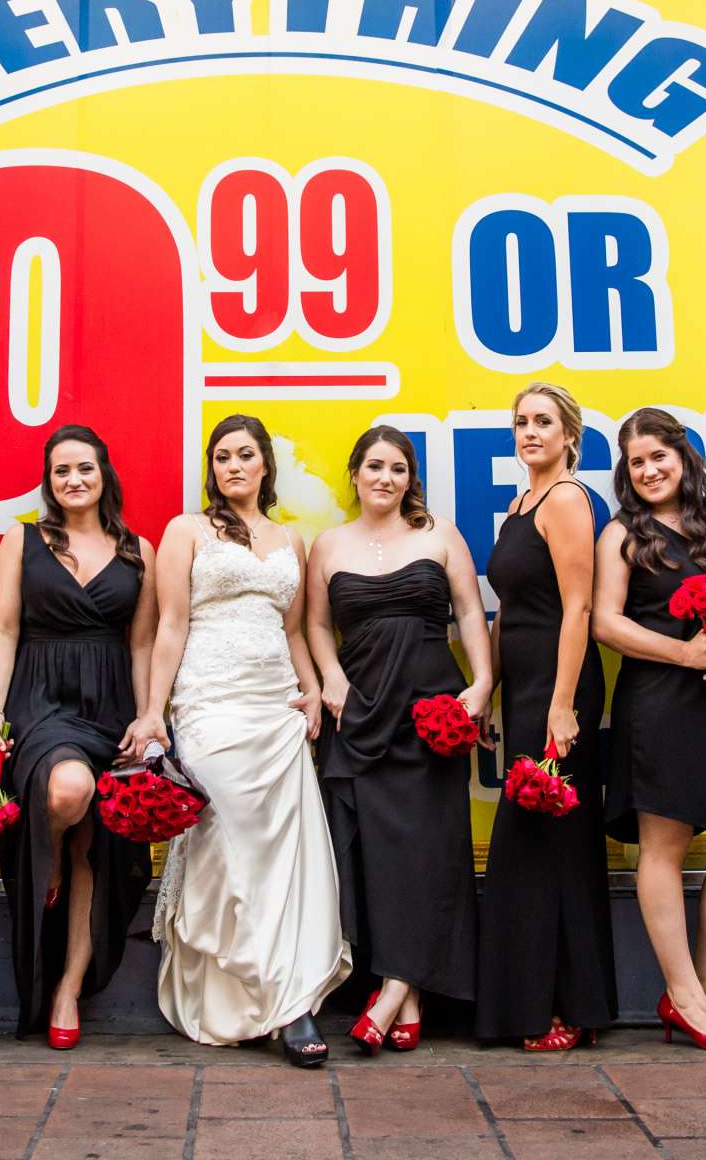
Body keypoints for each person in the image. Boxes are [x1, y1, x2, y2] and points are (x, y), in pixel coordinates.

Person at [124, 414, 350, 1068]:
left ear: (264, 465)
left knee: (286, 858)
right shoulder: (185, 531)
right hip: (210, 703)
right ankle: (246, 987)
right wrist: (153, 713)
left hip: (277, 709)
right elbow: (171, 624)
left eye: (245, 454)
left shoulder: (290, 541)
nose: (233, 465)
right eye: (222, 456)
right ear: (212, 468)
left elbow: (295, 630)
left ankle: (290, 1004)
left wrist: (310, 690)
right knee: (227, 845)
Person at [595, 407, 706, 1050]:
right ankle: (683, 996)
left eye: (658, 456)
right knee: (665, 848)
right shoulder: (621, 533)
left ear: (684, 456)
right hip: (660, 701)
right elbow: (606, 623)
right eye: (635, 461)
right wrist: (682, 653)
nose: (648, 470)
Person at [305, 424, 494, 1052]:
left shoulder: (439, 535)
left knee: (430, 856)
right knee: (375, 861)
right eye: (375, 466)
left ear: (410, 478)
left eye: (398, 468)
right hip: (358, 714)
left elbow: (470, 611)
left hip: (429, 711)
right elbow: (314, 625)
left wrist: (483, 683)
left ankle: (390, 995)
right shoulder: (328, 545)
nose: (385, 478)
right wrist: (330, 678)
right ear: (355, 474)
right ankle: (404, 993)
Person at [0, 425, 157, 1050]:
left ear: (103, 473)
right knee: (67, 793)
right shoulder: (22, 542)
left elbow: (141, 643)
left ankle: (68, 989)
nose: (73, 480)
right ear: (48, 481)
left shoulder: (139, 549)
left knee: (98, 855)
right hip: (42, 700)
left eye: (84, 468)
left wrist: (148, 714)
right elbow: (2, 629)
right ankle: (44, 850)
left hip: (112, 705)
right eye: (60, 471)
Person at [474, 382, 618, 1051]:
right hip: (526, 686)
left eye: (543, 422)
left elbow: (579, 609)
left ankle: (565, 1006)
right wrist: (487, 690)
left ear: (569, 435)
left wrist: (562, 704)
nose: (529, 431)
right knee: (533, 848)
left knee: (550, 847)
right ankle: (547, 1004)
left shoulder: (565, 499)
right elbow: (510, 613)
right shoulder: (520, 503)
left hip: (560, 688)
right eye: (521, 422)